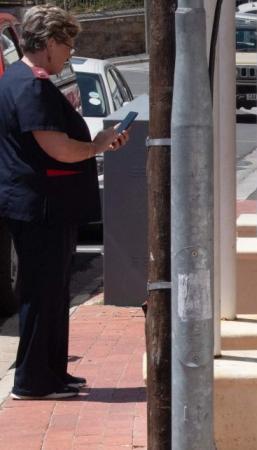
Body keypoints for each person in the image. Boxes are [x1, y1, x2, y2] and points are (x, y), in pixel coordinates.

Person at [0, 5, 129, 399]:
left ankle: (52, 373)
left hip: (44, 206)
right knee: (42, 294)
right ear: (50, 42)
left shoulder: (22, 79)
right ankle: (34, 380)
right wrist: (98, 145)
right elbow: (57, 148)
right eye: (68, 44)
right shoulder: (31, 85)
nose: (71, 52)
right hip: (41, 208)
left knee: (54, 292)